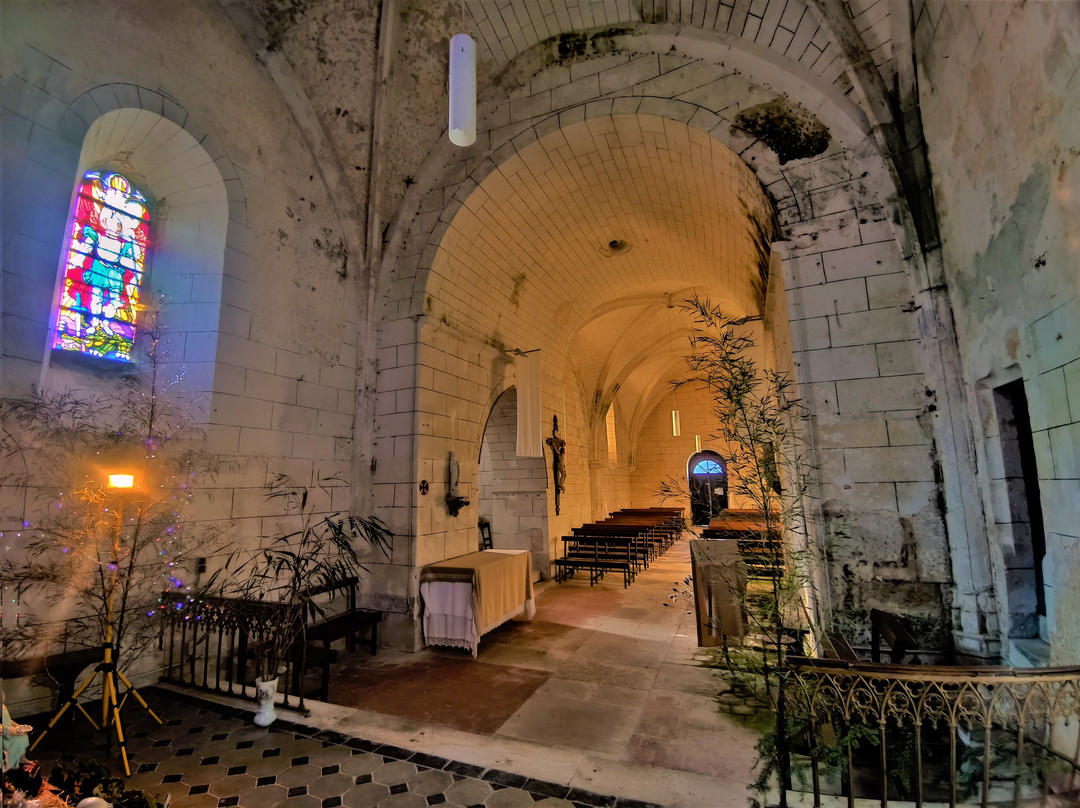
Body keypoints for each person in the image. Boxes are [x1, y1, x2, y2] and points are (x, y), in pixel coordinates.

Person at [546, 416, 566, 515]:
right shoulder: (559, 454)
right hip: (558, 466)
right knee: (564, 475)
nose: (564, 450)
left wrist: (560, 444)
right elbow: (555, 450)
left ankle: (561, 485)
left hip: (561, 466)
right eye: (563, 449)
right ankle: (561, 485)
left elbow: (559, 448)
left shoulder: (561, 454)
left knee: (564, 475)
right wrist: (553, 445)